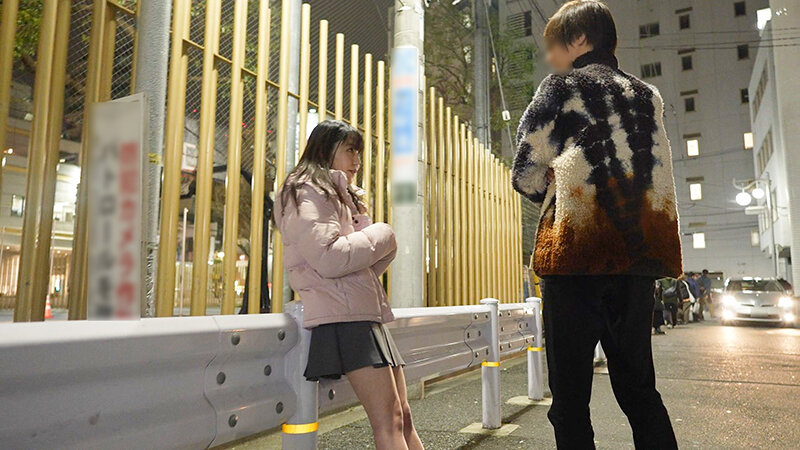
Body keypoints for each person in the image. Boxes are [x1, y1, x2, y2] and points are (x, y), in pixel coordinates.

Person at [511, 1, 681, 448]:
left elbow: (525, 170)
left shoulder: (561, 87)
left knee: (570, 399)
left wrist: (558, 189)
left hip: (576, 255)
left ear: (580, 39)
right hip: (636, 257)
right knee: (639, 389)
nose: (550, 56)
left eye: (554, 45)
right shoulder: (647, 95)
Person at [273, 120, 423, 450]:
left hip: (360, 311)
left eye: (359, 152)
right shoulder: (305, 191)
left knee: (401, 417)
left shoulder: (338, 194)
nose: (357, 160)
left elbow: (360, 265)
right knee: (390, 420)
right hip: (343, 316)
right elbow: (329, 258)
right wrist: (383, 234)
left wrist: (374, 240)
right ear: (326, 149)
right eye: (350, 150)